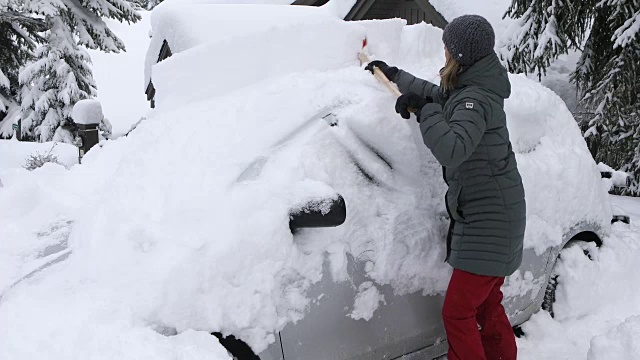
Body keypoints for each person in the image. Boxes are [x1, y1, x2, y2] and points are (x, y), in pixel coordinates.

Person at [365, 15, 526, 360]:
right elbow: (436, 94)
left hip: (490, 224)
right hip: (497, 215)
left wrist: (425, 113)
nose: (444, 53)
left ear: (459, 54)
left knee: (458, 312)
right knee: (485, 305)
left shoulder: (476, 99)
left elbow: (453, 148)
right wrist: (395, 76)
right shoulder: (473, 87)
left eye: (447, 48)